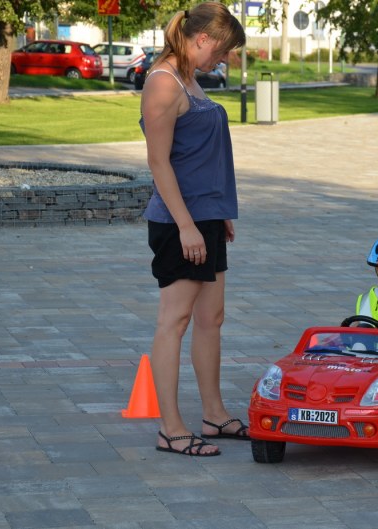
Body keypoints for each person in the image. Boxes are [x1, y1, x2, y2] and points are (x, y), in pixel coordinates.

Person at [140, 2, 247, 456]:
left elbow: (199, 156)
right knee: (175, 320)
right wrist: (186, 226)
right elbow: (158, 162)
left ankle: (214, 414)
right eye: (221, 51)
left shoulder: (189, 78)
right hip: (178, 223)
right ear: (202, 38)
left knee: (210, 319)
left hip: (206, 218)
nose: (222, 60)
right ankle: (171, 428)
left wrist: (218, 211)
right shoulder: (163, 82)